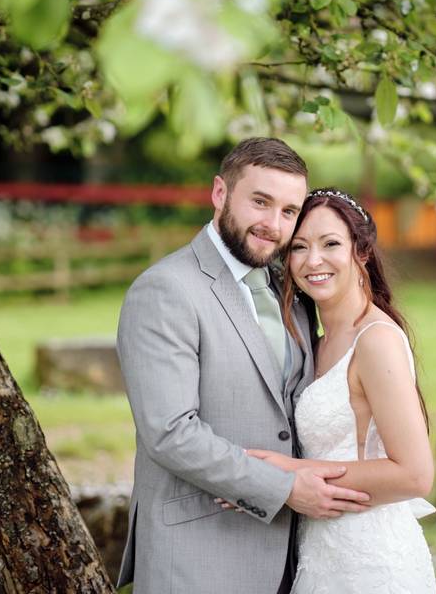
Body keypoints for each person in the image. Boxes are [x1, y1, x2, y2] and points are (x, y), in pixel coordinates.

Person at [116, 139, 371, 594]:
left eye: (289, 211)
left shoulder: (289, 290)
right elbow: (170, 432)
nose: (274, 225)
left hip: (293, 556)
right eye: (260, 202)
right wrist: (283, 488)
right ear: (220, 193)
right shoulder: (165, 290)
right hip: (199, 554)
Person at [242, 188, 436, 593]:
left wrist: (290, 472)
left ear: (361, 251)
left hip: (371, 560)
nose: (314, 260)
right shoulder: (317, 343)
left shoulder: (376, 340)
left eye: (330, 243)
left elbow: (416, 475)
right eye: (299, 247)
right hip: (323, 552)